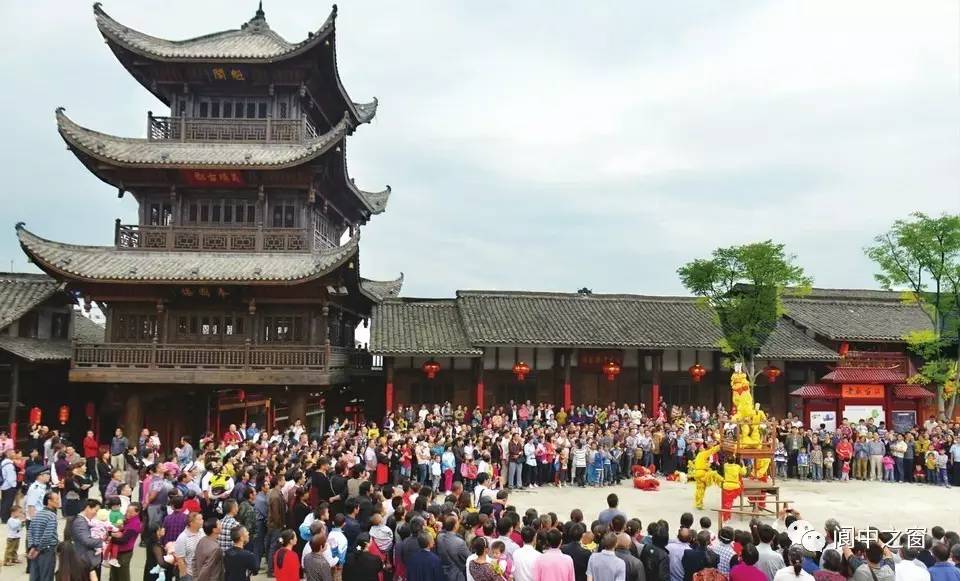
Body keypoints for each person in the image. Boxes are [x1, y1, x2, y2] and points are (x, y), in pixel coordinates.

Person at [28, 490, 61, 581]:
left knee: (35, 575)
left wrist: (32, 547)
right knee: (46, 576)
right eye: (57, 499)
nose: (58, 501)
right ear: (49, 501)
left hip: (35, 549)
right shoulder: (51, 516)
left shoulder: (37, 514)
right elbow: (47, 535)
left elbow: (30, 531)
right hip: (47, 549)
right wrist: (38, 549)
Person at [69, 499, 104, 578]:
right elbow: (86, 540)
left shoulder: (85, 520)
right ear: (88, 507)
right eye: (96, 510)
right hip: (86, 560)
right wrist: (102, 542)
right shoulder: (80, 522)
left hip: (88, 560)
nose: (96, 513)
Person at [110, 502, 143, 581]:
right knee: (114, 574)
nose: (127, 513)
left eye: (130, 512)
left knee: (122, 575)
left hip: (124, 553)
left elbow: (123, 540)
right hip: (117, 551)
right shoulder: (128, 520)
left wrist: (110, 537)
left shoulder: (135, 524)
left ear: (137, 512)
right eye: (127, 511)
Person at [436, 515, 470, 581]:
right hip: (457, 574)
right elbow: (469, 557)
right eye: (457, 522)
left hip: (443, 571)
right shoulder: (460, 542)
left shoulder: (439, 537)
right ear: (455, 526)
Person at [175, 512, 204, 581]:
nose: (202, 521)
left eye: (202, 519)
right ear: (191, 523)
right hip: (190, 575)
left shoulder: (202, 532)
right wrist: (185, 576)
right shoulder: (182, 538)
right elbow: (180, 560)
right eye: (199, 519)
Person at [0, 449, 18, 523]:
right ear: (8, 454)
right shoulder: (8, 464)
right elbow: (11, 477)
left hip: (4, 485)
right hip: (9, 486)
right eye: (13, 453)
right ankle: (5, 518)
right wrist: (14, 485)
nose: (14, 454)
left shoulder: (4, 462)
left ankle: (4, 517)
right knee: (8, 503)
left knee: (4, 502)